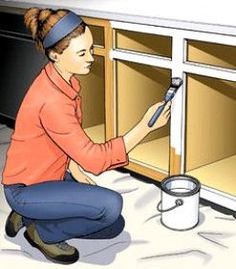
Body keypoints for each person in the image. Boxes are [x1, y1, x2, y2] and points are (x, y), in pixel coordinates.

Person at [1, 7, 171, 265]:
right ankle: (42, 231)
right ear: (55, 54)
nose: (91, 58)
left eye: (91, 49)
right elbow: (94, 159)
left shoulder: (61, 80)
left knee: (113, 225)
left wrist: (74, 170)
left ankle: (29, 215)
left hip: (46, 174)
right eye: (82, 53)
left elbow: (60, 142)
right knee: (110, 206)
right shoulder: (52, 101)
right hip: (26, 187)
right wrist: (144, 127)